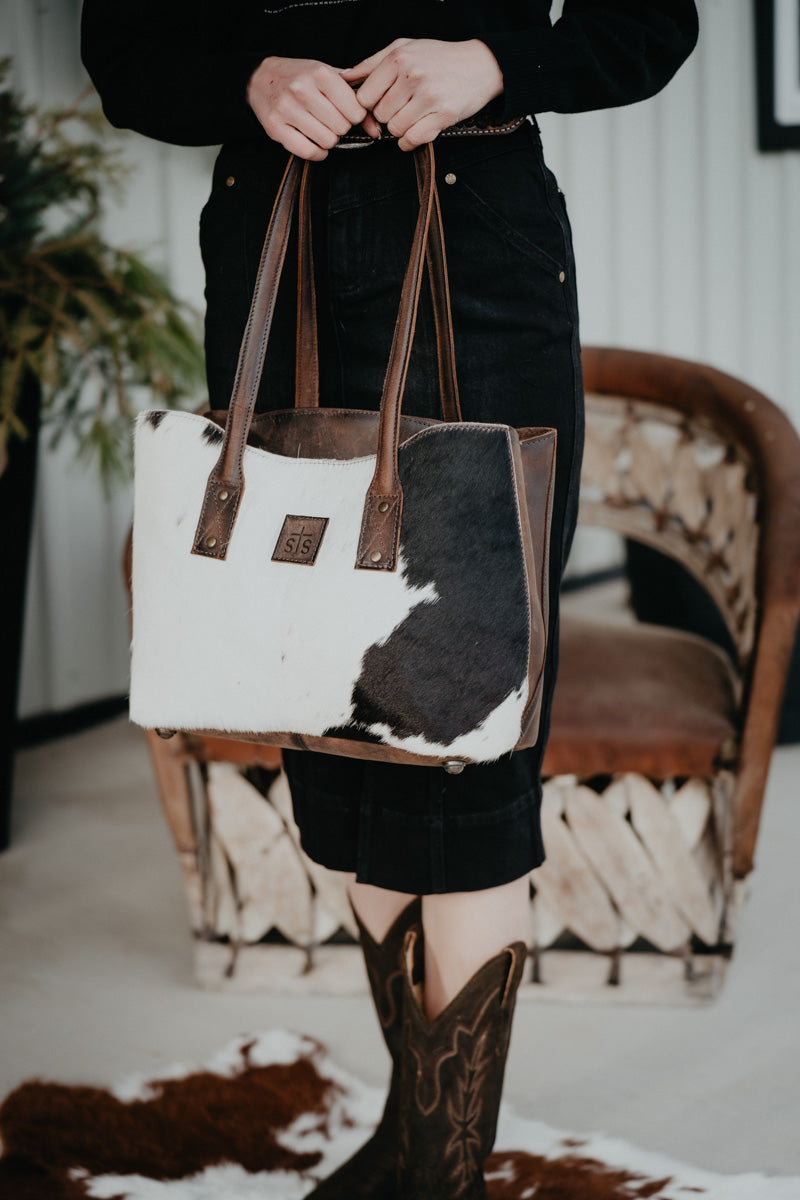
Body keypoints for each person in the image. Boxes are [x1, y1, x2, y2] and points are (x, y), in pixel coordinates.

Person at [81, 4, 699, 1196]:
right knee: (338, 726)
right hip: (277, 226)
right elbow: (123, 49)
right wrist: (249, 74)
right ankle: (419, 1142)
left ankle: (438, 1174)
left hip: (473, 232)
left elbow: (649, 21)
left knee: (461, 726)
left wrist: (495, 60)